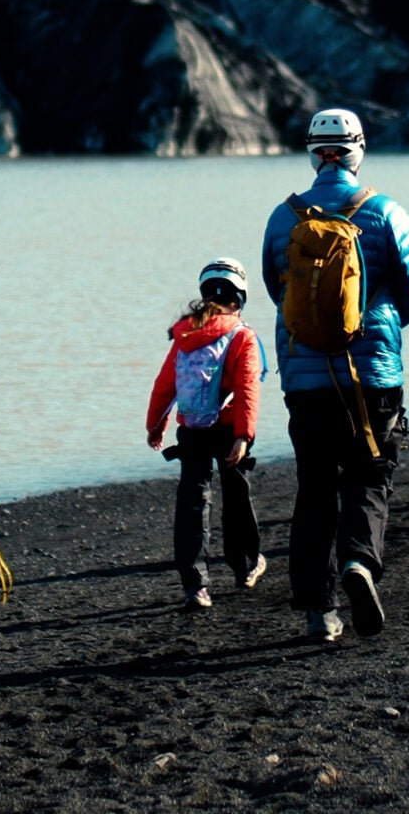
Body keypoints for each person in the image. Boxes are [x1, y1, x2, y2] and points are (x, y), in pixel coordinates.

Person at [263, 108, 409, 643]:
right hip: (372, 374)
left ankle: (319, 610)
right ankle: (359, 563)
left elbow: (277, 289)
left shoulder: (283, 217)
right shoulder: (384, 212)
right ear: (359, 150)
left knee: (314, 488)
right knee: (369, 474)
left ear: (312, 153)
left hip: (305, 378)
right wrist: (376, 324)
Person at [145, 258, 270, 608]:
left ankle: (195, 585)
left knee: (193, 501)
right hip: (230, 428)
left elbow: (164, 384)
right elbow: (247, 387)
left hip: (193, 429)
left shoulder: (185, 335)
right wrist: (244, 435)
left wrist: (155, 426)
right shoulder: (242, 335)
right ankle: (245, 565)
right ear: (240, 298)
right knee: (236, 493)